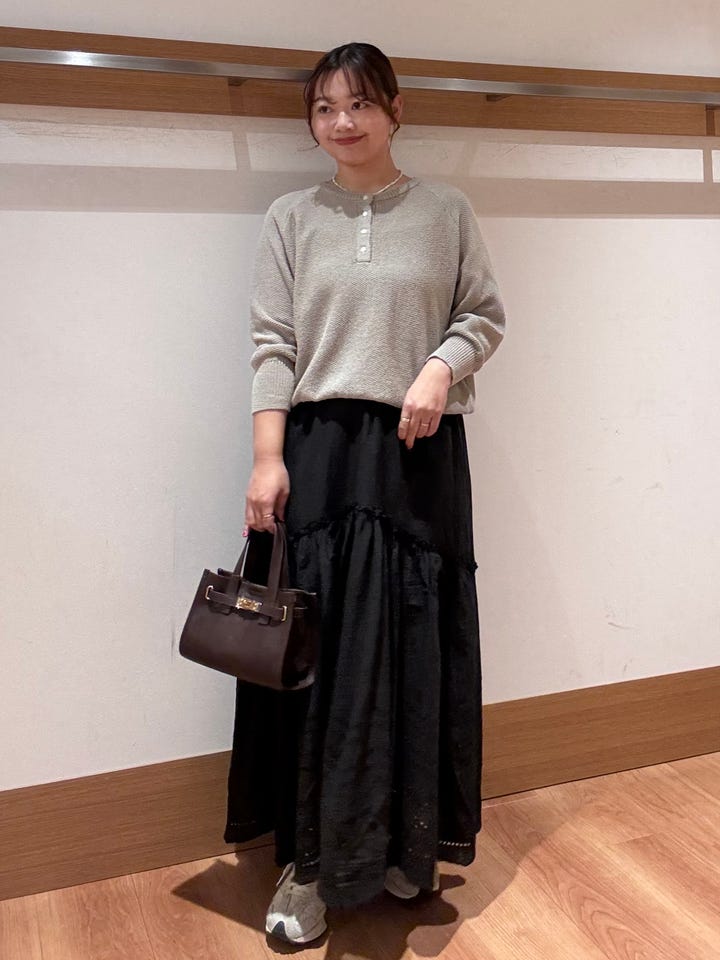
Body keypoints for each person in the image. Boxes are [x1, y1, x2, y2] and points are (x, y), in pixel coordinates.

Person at [224, 41, 506, 945]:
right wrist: (267, 459)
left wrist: (439, 366)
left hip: (419, 454)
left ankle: (401, 847)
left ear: (394, 110)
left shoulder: (446, 211)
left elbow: (483, 315)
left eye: (359, 105)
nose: (342, 123)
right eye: (324, 108)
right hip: (321, 453)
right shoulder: (291, 218)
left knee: (411, 645)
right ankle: (311, 865)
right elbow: (272, 344)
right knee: (323, 655)